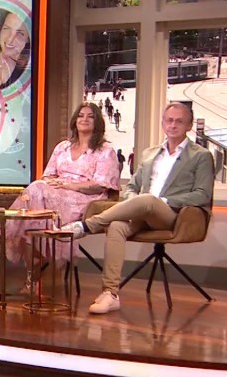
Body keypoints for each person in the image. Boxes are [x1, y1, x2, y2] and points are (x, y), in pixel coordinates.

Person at [61, 102, 214, 314]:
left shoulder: (200, 155)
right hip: (142, 212)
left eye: (179, 121)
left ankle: (85, 226)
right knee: (116, 225)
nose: (173, 125)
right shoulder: (150, 154)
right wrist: (135, 204)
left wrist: (164, 201)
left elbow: (202, 194)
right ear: (163, 123)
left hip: (173, 215)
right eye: (169, 120)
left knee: (149, 200)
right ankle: (110, 293)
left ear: (189, 125)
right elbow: (131, 188)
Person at [0, 103, 119, 290]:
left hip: (86, 199)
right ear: (74, 120)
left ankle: (3, 232)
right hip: (55, 194)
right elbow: (48, 176)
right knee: (36, 204)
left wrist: (69, 185)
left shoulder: (105, 150)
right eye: (80, 115)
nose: (84, 119)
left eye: (90, 116)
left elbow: (100, 184)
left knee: (36, 192)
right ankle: (33, 272)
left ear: (98, 121)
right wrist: (56, 186)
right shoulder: (63, 147)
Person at [0, 12, 30, 88]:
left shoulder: (30, 72)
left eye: (20, 33)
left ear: (28, 39)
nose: (10, 39)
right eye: (6, 29)